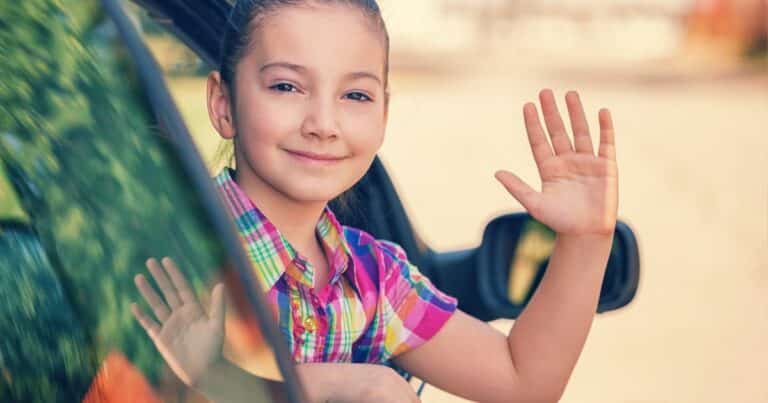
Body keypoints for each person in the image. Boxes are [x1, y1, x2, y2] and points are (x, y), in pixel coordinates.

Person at [130, 0, 619, 402]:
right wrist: (351, 385)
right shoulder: (179, 247)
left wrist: (586, 238)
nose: (323, 122)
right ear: (223, 104)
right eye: (286, 86)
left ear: (385, 115)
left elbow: (521, 382)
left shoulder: (374, 277)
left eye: (356, 96)